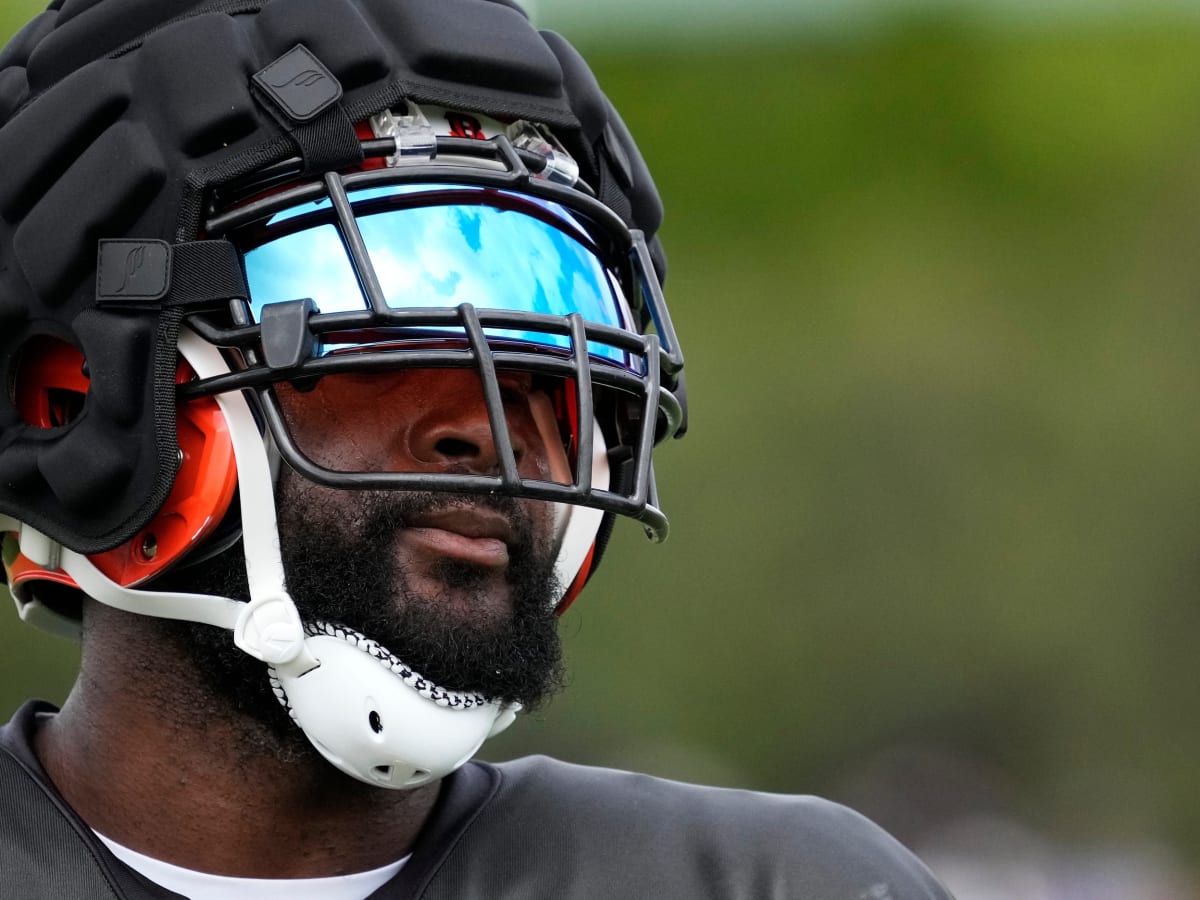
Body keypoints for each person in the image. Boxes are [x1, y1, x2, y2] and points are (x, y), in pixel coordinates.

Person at [0, 0, 954, 897]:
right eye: (374, 342)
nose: (495, 432)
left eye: (545, 361)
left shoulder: (766, 882)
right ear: (78, 400)